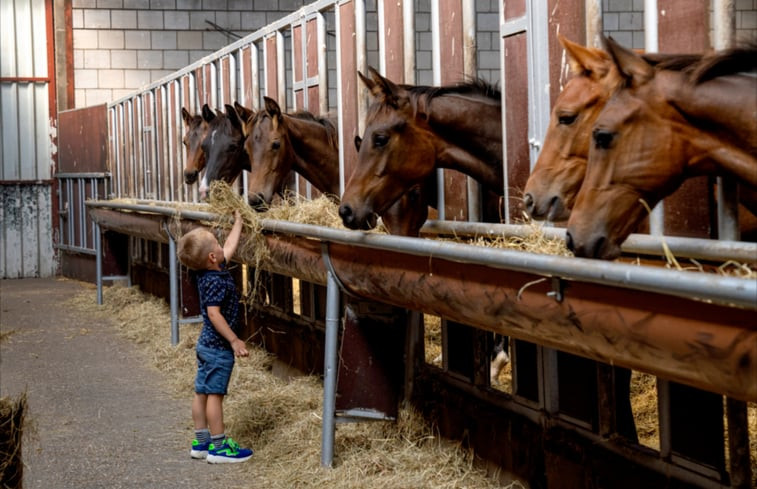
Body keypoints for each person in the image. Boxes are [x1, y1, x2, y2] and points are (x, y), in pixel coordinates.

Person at [177, 210, 253, 464]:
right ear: (212, 256)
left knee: (201, 391)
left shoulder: (206, 272)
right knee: (215, 394)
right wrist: (234, 340)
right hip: (218, 347)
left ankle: (201, 442)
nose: (223, 247)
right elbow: (213, 314)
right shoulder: (217, 282)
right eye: (217, 245)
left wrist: (239, 223)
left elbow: (228, 248)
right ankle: (219, 448)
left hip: (205, 344)